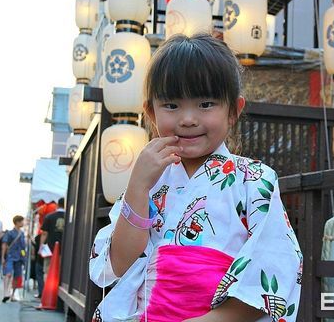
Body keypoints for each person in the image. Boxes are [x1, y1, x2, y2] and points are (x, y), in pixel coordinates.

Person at [89, 34, 302, 322]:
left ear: (233, 111)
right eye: (172, 105)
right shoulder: (149, 182)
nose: (188, 118)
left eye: (205, 104)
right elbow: (117, 263)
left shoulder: (254, 180)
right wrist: (138, 187)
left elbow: (275, 263)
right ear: (151, 111)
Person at [1, 215, 26, 303]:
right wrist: (3, 257)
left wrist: (24, 256)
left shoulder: (22, 233)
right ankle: (6, 292)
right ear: (17, 222)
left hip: (19, 257)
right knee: (8, 274)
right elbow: (4, 245)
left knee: (17, 276)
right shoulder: (10, 233)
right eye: (22, 221)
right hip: (10, 256)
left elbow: (23, 247)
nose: (23, 223)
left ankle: (12, 295)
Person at [39, 198, 65, 276]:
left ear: (57, 205)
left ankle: (47, 287)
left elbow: (44, 234)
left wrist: (41, 247)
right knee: (60, 271)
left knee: (47, 270)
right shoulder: (70, 217)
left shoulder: (49, 217)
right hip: (64, 249)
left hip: (49, 248)